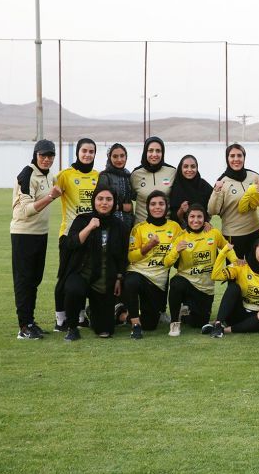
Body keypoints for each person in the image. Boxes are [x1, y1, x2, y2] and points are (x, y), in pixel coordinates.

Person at [56, 186, 128, 340]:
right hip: (82, 273)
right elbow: (71, 244)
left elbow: (122, 255)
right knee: (73, 289)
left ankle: (92, 312)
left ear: (114, 203)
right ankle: (72, 327)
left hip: (103, 278)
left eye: (108, 199)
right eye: (100, 199)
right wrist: (89, 227)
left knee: (105, 331)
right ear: (94, 201)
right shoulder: (82, 219)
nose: (104, 203)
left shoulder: (119, 225)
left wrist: (119, 278)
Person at [11, 139, 60, 339]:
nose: (46, 159)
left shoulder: (49, 176)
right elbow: (26, 210)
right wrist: (50, 197)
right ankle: (24, 327)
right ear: (36, 155)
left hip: (41, 233)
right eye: (43, 155)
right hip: (24, 233)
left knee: (34, 280)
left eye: (50, 156)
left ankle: (30, 322)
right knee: (24, 281)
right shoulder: (27, 174)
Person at [162, 204, 233, 336]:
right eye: (192, 217)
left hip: (205, 288)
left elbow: (227, 247)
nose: (196, 220)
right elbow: (166, 263)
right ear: (187, 218)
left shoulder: (213, 233)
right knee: (176, 283)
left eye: (199, 217)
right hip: (186, 281)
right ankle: (174, 323)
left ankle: (185, 311)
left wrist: (236, 261)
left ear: (205, 219)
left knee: (198, 323)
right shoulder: (181, 237)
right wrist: (176, 250)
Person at [54, 138, 99, 332]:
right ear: (78, 152)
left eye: (91, 151)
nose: (87, 155)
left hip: (91, 235)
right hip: (69, 235)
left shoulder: (98, 176)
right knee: (65, 276)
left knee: (83, 276)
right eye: (84, 151)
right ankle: (60, 320)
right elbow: (50, 187)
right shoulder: (65, 175)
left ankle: (80, 317)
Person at [123, 190, 183, 339]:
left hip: (157, 281)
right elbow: (131, 257)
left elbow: (188, 238)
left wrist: (206, 225)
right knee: (131, 282)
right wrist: (148, 246)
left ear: (166, 206)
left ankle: (121, 314)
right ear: (147, 207)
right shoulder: (139, 228)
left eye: (161, 204)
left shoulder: (175, 227)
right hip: (139, 272)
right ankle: (135, 325)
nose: (157, 207)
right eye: (153, 204)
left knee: (150, 325)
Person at [207, 238, 259, 337]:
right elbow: (215, 275)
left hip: (257, 316)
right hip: (237, 314)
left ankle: (224, 330)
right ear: (254, 250)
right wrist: (223, 252)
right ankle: (218, 324)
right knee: (233, 287)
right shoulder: (241, 265)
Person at [208, 143, 259, 259]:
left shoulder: (254, 176)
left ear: (244, 157)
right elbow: (212, 211)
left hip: (255, 232)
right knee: (235, 268)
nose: (236, 159)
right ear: (227, 159)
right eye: (232, 156)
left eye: (239, 155)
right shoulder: (222, 181)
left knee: (255, 267)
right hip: (233, 235)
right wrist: (216, 191)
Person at [130, 136, 176, 224]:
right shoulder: (136, 174)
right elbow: (131, 197)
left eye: (158, 151)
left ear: (163, 153)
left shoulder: (172, 172)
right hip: (141, 227)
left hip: (166, 228)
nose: (154, 154)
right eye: (150, 150)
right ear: (145, 152)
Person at [97, 143, 134, 233]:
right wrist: (121, 207)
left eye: (122, 156)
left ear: (126, 157)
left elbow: (134, 197)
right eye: (115, 156)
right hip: (110, 224)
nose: (119, 160)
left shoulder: (128, 175)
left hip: (128, 223)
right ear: (109, 157)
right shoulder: (105, 176)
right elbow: (101, 202)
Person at [169, 155, 213, 228]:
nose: (189, 170)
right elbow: (173, 217)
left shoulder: (204, 185)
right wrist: (181, 210)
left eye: (193, 166)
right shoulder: (175, 187)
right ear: (181, 168)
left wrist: (207, 221)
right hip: (181, 230)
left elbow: (213, 207)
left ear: (197, 168)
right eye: (186, 166)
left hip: (202, 228)